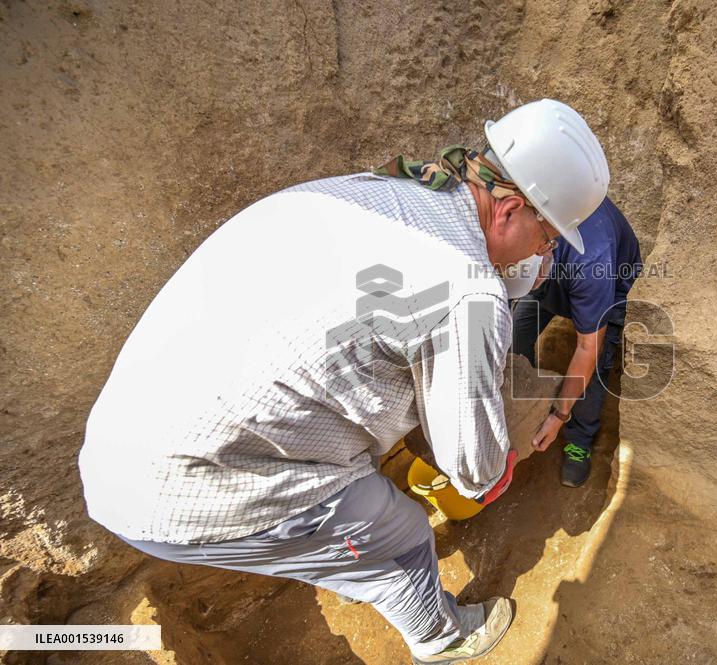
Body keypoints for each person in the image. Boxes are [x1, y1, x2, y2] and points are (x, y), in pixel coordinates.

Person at [78, 99, 610, 664]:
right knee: (401, 534)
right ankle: (441, 636)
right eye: (547, 237)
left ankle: (343, 555)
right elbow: (472, 467)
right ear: (507, 212)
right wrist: (497, 464)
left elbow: (394, 312)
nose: (545, 253)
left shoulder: (382, 189)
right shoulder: (469, 294)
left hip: (129, 433)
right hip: (183, 485)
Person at [512, 197, 642, 487]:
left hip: (611, 289)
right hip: (550, 277)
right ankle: (531, 402)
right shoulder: (518, 226)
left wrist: (560, 414)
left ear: (546, 252)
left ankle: (579, 440)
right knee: (515, 337)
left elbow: (587, 348)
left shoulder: (591, 261)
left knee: (593, 371)